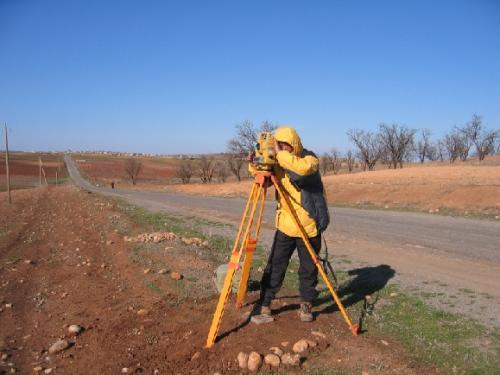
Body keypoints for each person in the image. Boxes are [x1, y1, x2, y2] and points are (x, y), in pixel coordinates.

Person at [250, 127, 330, 323]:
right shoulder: (279, 161)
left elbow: (301, 171)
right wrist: (255, 163)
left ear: (293, 145)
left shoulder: (309, 159)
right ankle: (266, 303)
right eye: (278, 145)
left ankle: (306, 304)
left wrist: (279, 155)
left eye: (283, 145)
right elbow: (264, 179)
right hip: (286, 226)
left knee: (308, 269)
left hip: (309, 227)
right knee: (275, 266)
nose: (280, 149)